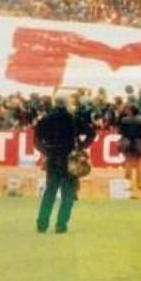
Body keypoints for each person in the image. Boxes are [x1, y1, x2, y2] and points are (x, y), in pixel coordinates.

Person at [33, 95, 95, 234]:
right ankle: (61, 225)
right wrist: (82, 147)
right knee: (68, 195)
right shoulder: (73, 119)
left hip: (53, 159)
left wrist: (46, 151)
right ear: (67, 105)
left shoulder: (45, 120)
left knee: (50, 192)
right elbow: (91, 133)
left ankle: (42, 224)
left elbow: (36, 141)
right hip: (70, 160)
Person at [118, 105, 141, 197]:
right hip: (138, 142)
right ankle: (140, 184)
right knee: (139, 164)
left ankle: (127, 184)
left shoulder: (124, 120)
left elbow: (122, 134)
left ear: (130, 111)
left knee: (128, 164)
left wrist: (120, 143)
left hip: (127, 142)